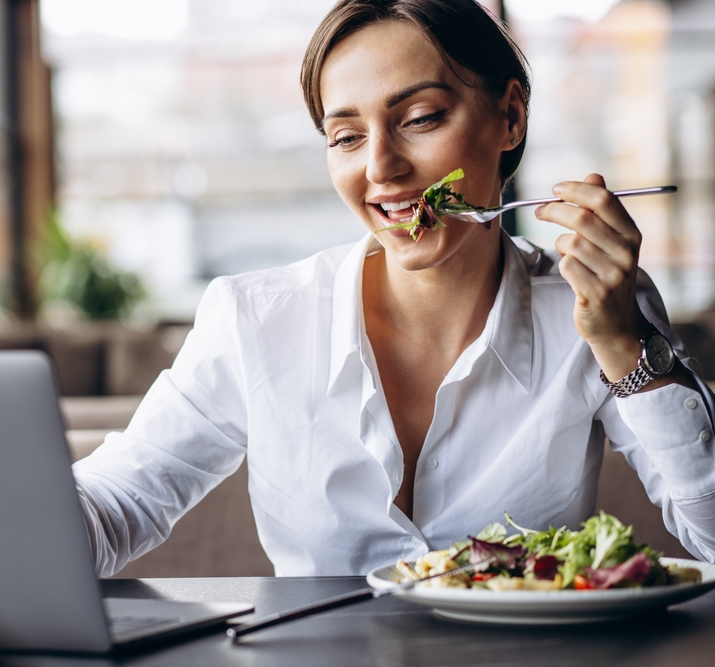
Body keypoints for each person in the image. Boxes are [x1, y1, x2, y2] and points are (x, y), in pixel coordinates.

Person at [73, 0, 715, 577]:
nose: (380, 167)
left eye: (421, 118)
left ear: (510, 117)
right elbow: (121, 503)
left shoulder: (596, 311)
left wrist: (626, 347)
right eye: (346, 136)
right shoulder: (255, 319)